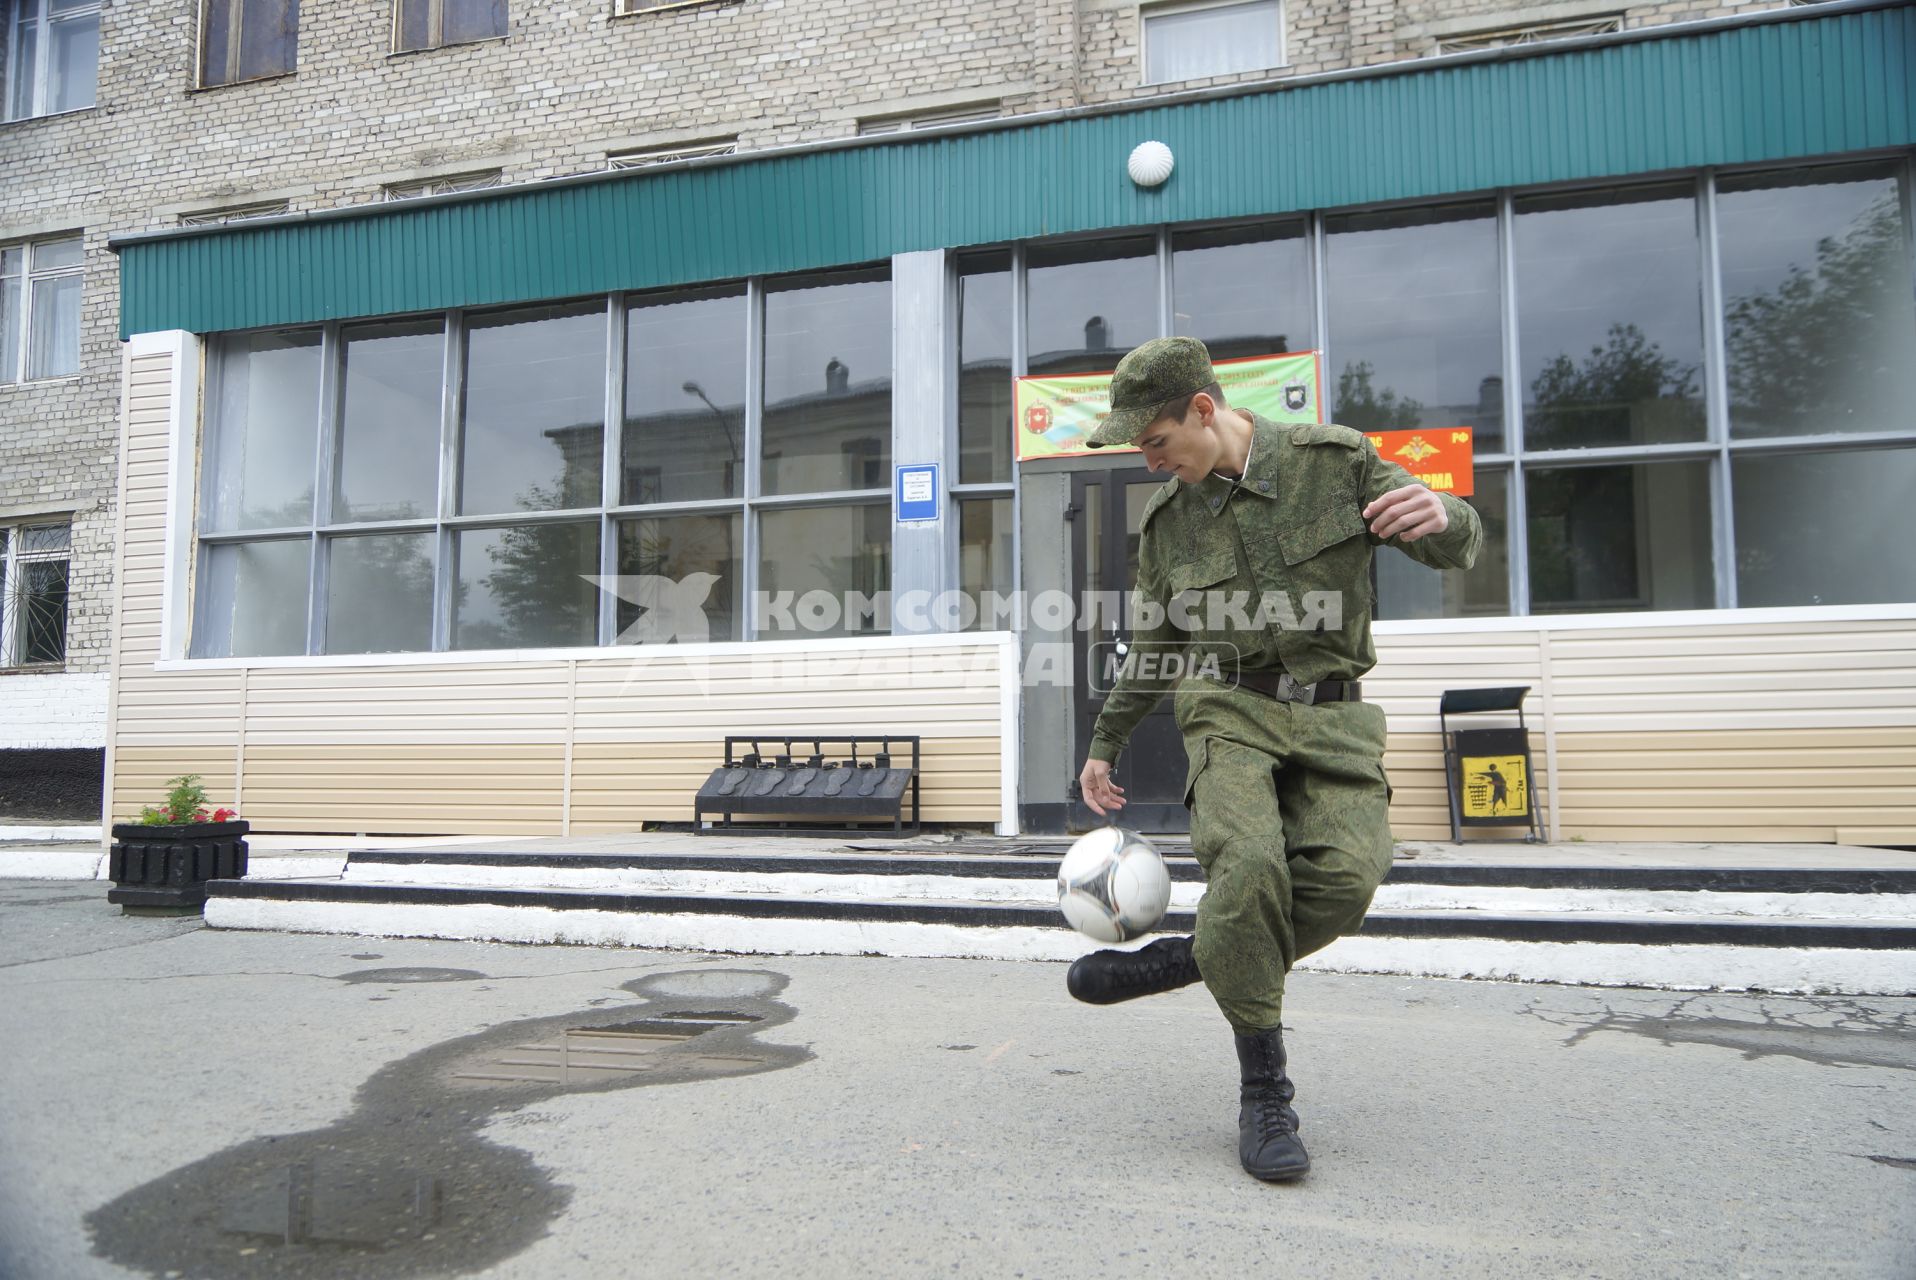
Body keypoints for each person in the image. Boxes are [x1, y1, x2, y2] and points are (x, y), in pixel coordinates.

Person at [1069, 336, 1482, 1183]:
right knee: (1250, 865)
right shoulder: (1169, 523)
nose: (1148, 462)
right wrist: (1105, 743)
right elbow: (1152, 645)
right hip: (1227, 710)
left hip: (1334, 720)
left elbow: (1450, 539)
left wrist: (1446, 515)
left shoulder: (1334, 462)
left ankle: (1201, 953)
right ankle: (1266, 1094)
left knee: (1349, 880)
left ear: (1203, 409)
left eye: (1154, 441)